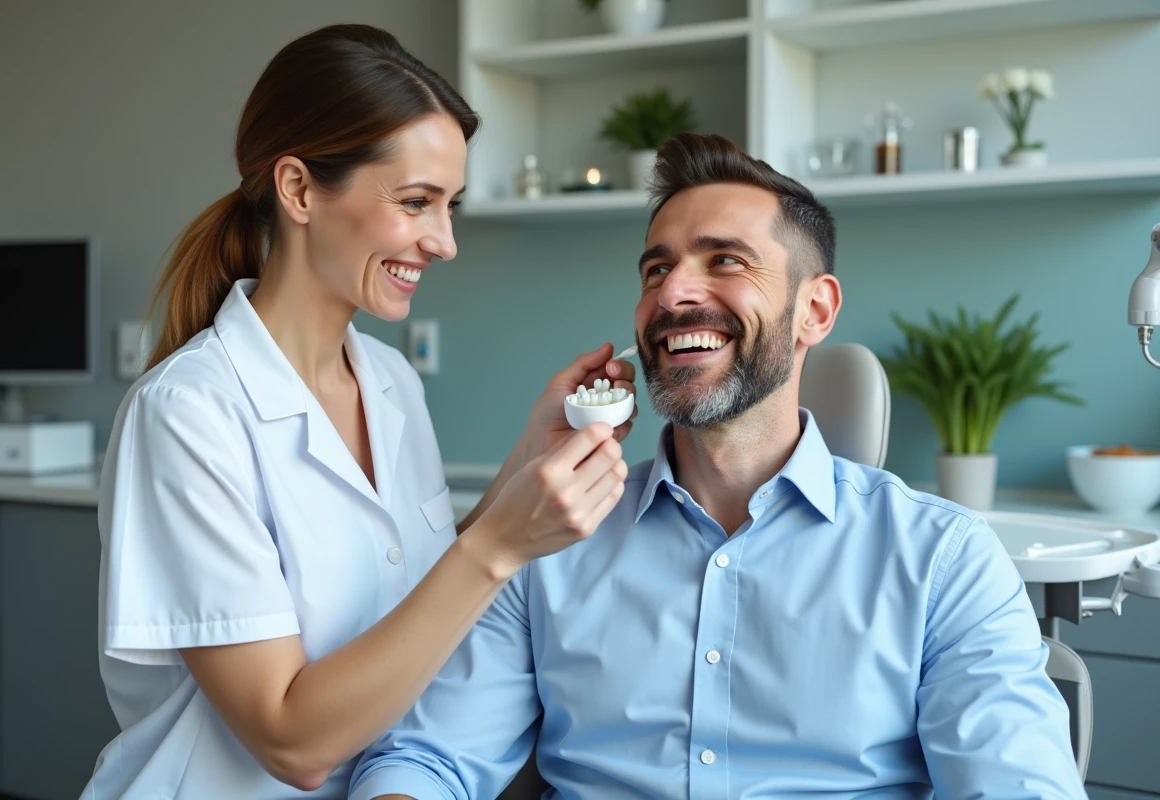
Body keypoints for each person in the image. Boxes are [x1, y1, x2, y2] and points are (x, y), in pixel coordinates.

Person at [349, 133, 1088, 800]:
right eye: (656, 269)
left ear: (815, 311)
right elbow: (425, 760)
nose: (672, 293)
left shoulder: (943, 560)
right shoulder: (549, 545)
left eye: (725, 260)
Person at [81, 24, 636, 800]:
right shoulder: (187, 413)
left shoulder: (387, 379)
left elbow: (412, 594)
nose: (443, 241)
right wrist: (500, 548)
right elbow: (292, 741)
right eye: (416, 202)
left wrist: (527, 462)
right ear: (300, 189)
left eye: (450, 206)